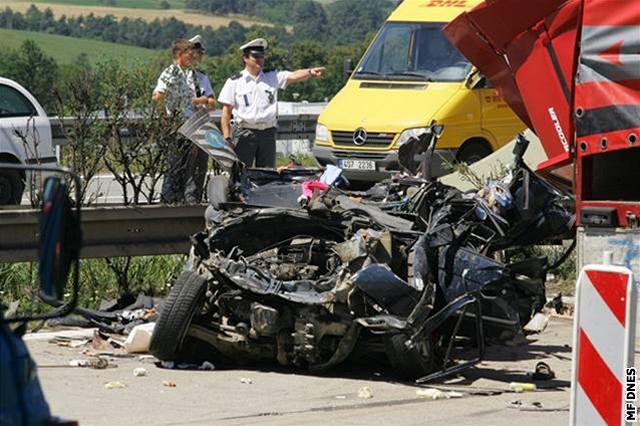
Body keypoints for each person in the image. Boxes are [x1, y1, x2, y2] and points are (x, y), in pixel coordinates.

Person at [217, 38, 325, 168]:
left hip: (267, 133)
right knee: (241, 174)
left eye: (262, 56)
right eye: (255, 56)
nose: (259, 60)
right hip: (245, 133)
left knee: (267, 174)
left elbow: (293, 75)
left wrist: (310, 72)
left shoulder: (272, 76)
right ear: (245, 58)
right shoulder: (234, 81)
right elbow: (226, 112)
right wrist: (227, 138)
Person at [152, 38, 210, 204]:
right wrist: (167, 120)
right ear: (179, 54)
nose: (192, 56)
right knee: (175, 169)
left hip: (188, 128)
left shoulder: (184, 74)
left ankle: (179, 204)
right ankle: (169, 205)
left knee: (185, 170)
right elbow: (158, 97)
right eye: (189, 52)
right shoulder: (171, 72)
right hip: (178, 128)